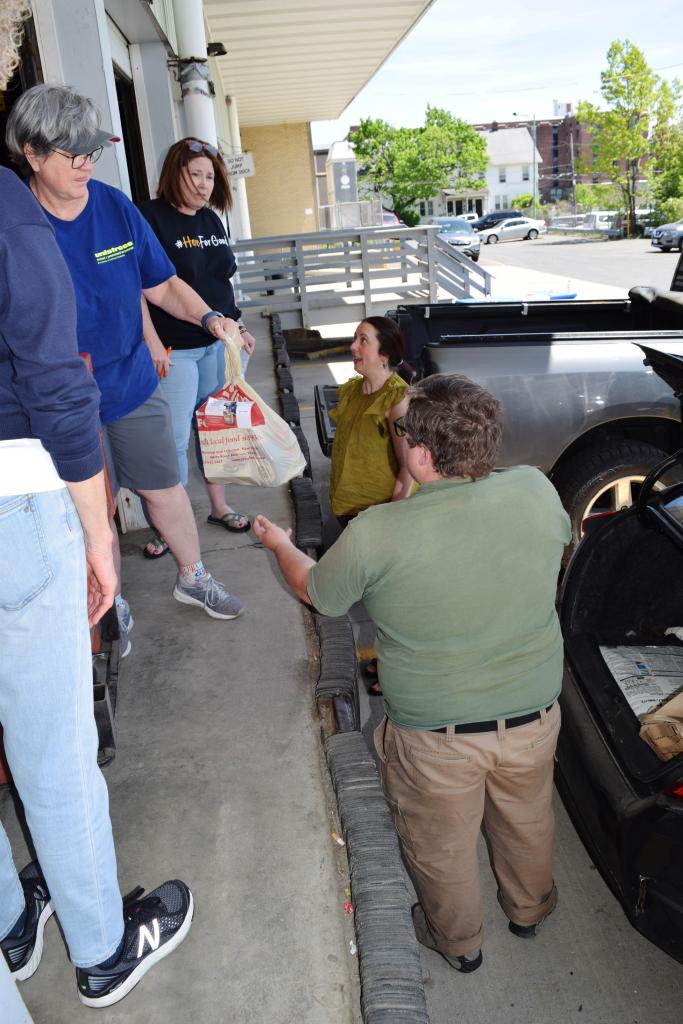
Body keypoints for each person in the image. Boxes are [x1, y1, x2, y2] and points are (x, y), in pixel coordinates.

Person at [253, 373, 571, 973]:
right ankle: (529, 912)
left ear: (420, 454)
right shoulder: (534, 489)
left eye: (401, 432)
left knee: (440, 847)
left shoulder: (378, 533)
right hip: (535, 715)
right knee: (529, 821)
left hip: (436, 737)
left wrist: (278, 545)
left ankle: (460, 945)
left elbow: (317, 590)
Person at [0, 164, 192, 1008]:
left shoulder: (109, 209)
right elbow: (51, 374)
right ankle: (104, 950)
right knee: (54, 751)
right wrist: (98, 531)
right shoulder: (7, 205)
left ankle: (11, 922)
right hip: (12, 494)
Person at [6, 84, 244, 642]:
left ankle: (194, 575)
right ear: (32, 154)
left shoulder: (114, 206)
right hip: (61, 404)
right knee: (97, 510)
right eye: (72, 154)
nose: (86, 165)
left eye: (92, 151)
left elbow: (161, 285)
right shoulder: (16, 223)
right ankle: (113, 603)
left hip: (132, 384)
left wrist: (210, 318)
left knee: (164, 488)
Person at [138, 137, 255, 556]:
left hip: (217, 346)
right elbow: (142, 288)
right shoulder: (150, 218)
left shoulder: (211, 221)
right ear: (175, 173)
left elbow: (221, 284)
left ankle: (219, 507)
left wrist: (237, 327)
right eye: (195, 175)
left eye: (210, 176)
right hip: (176, 348)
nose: (204, 185)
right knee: (172, 441)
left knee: (217, 431)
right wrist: (150, 341)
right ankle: (168, 526)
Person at [329, 316, 414, 693]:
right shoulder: (352, 391)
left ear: (386, 354)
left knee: (393, 601)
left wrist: (395, 516)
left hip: (380, 517)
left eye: (363, 340)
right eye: (355, 339)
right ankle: (386, 661)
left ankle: (399, 673)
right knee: (376, 599)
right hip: (352, 514)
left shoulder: (397, 401)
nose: (353, 347)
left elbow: (409, 469)